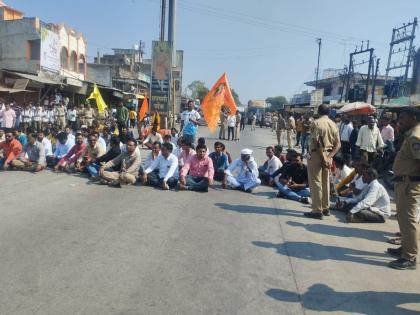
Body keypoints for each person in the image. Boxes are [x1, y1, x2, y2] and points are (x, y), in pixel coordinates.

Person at [388, 109, 420, 270]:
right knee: (402, 218)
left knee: (408, 221)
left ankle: (410, 257)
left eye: (402, 117)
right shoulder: (411, 133)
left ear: (413, 118)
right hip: (404, 182)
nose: (399, 120)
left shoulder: (415, 135)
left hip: (409, 184)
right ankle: (405, 249)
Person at [305, 104, 341, 219]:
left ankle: (316, 210)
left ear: (319, 112)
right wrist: (329, 157)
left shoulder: (316, 123)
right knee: (325, 182)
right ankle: (326, 208)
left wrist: (324, 157)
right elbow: (338, 145)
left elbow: (318, 142)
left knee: (316, 182)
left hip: (317, 154)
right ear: (329, 113)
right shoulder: (334, 124)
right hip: (329, 154)